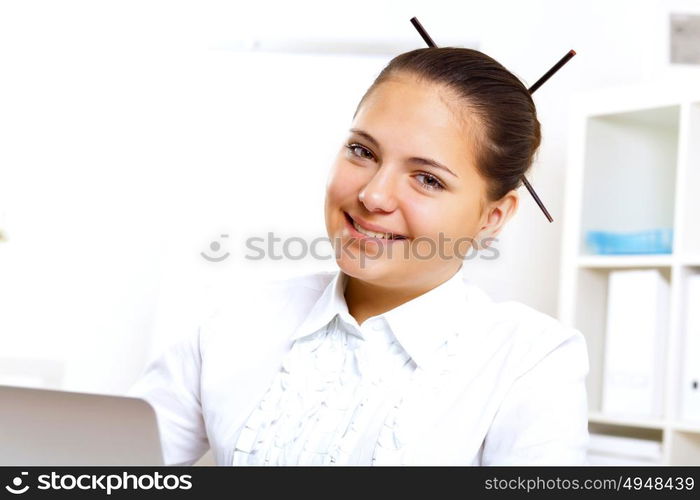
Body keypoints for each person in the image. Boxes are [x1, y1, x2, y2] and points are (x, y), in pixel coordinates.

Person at [126, 47, 590, 466]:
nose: (373, 195)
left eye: (427, 179)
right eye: (362, 151)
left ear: (492, 217)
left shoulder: (531, 362)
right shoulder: (238, 321)